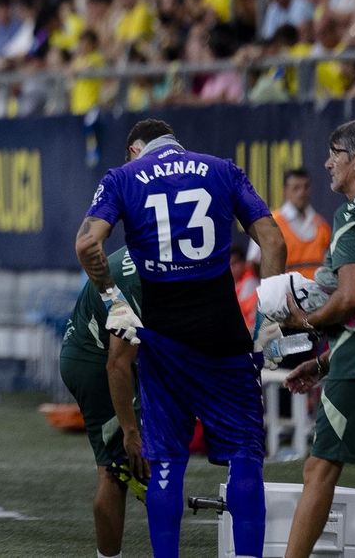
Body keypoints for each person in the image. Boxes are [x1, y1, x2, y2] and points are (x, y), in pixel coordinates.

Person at [76, 118, 287, 558]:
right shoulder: (221, 169)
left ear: (135, 150)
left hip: (165, 337)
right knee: (246, 455)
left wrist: (113, 298)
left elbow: (87, 245)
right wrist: (269, 316)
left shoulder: (122, 177)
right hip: (224, 333)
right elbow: (272, 240)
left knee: (168, 460)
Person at [281, 119, 355, 558]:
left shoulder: (353, 213)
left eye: (335, 153)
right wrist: (321, 364)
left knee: (319, 469)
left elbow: (351, 296)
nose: (328, 162)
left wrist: (307, 322)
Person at [58, 246, 144, 558]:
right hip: (94, 361)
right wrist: (130, 430)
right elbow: (117, 364)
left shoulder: (152, 259)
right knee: (115, 468)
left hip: (106, 353)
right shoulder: (135, 280)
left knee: (150, 459)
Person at [271, 167, 331, 279]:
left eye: (306, 187)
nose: (302, 192)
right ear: (285, 191)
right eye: (296, 188)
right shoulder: (272, 223)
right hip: (285, 292)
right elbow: (255, 263)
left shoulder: (322, 225)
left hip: (318, 292)